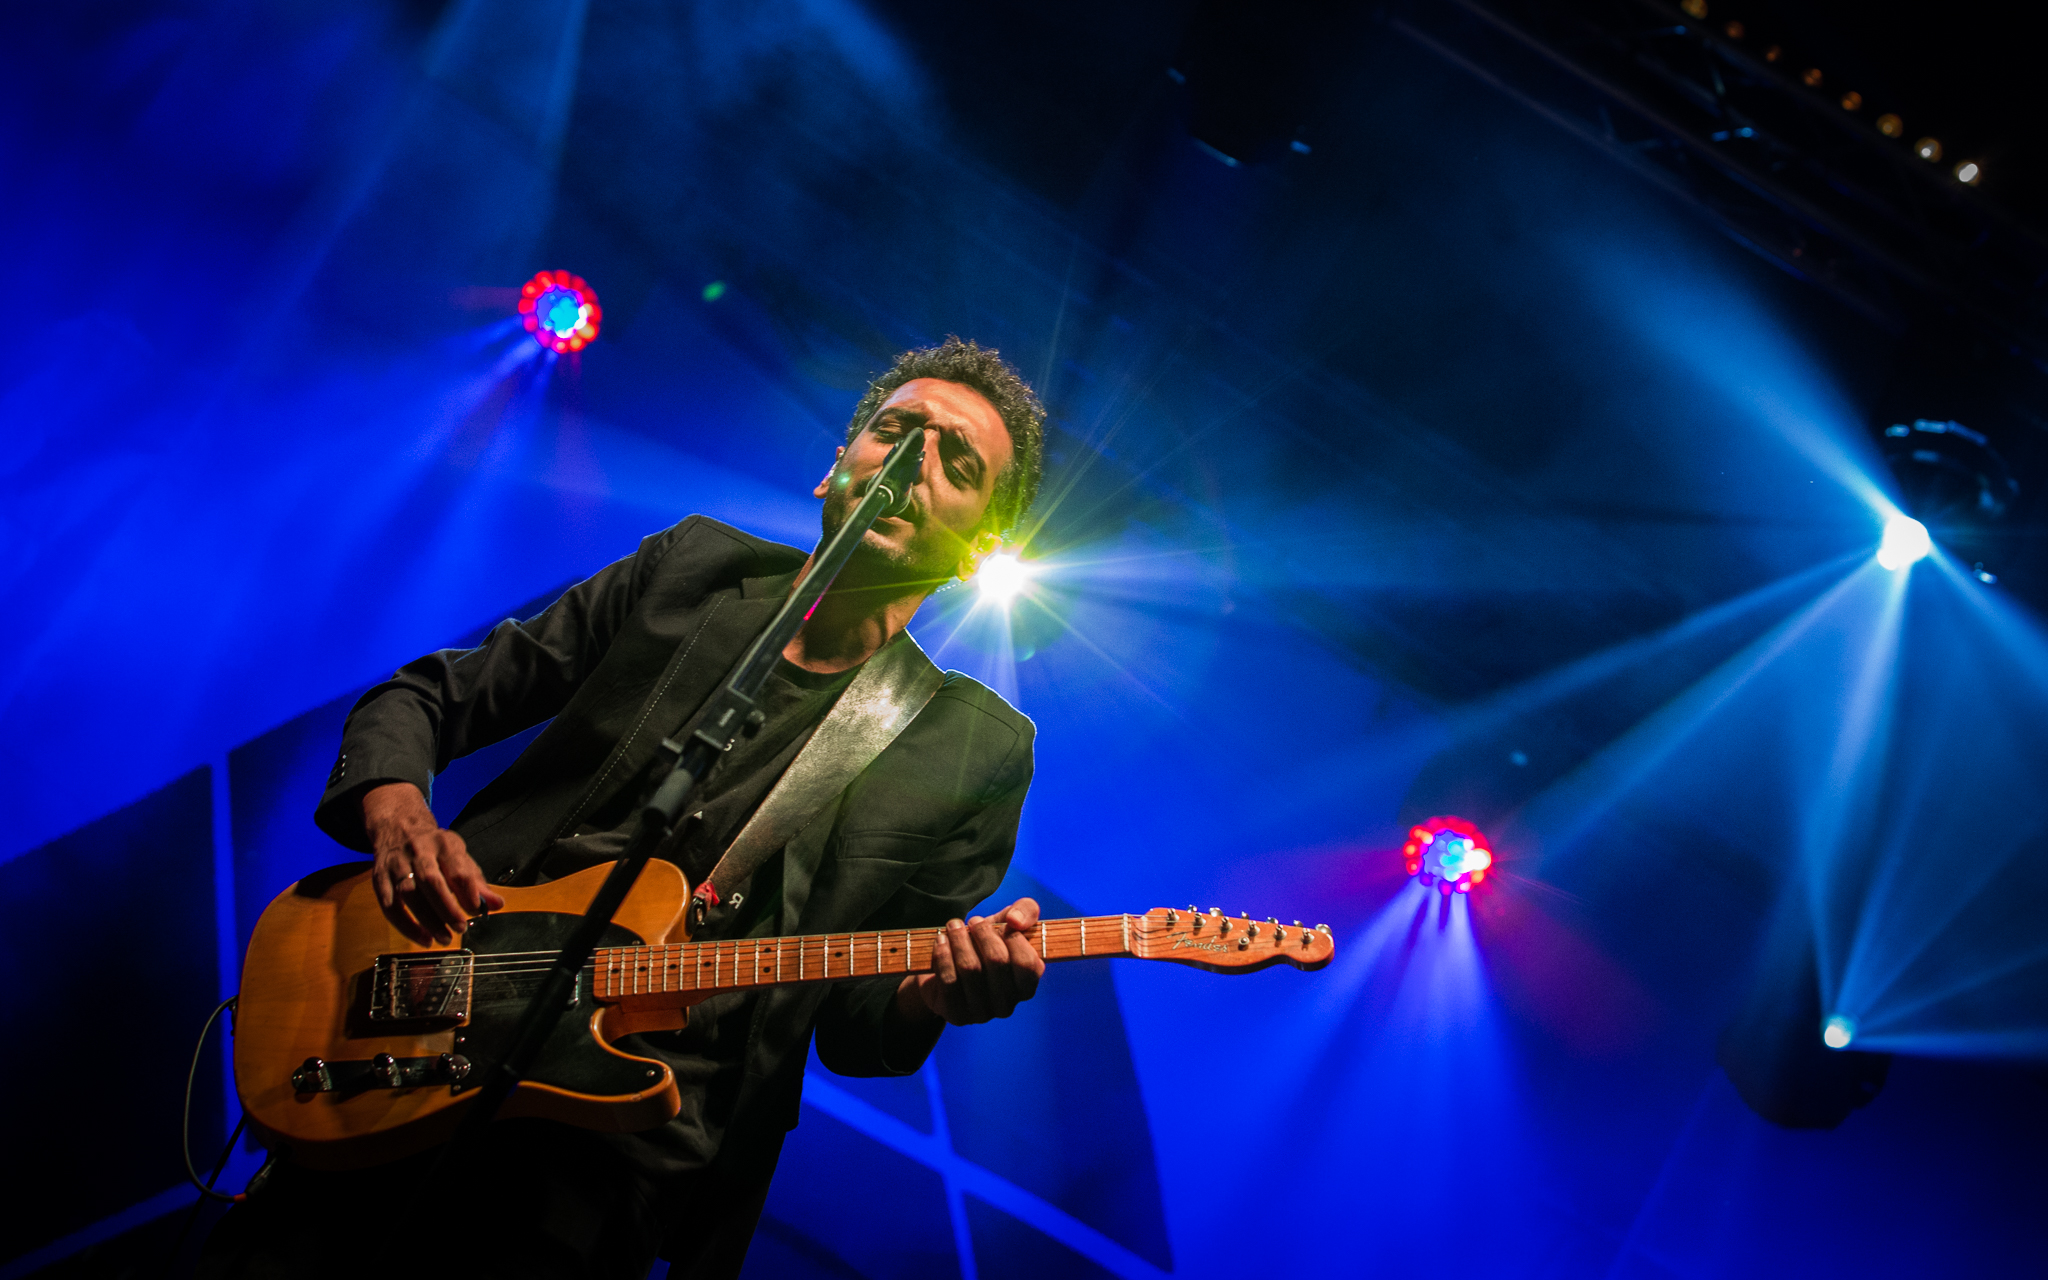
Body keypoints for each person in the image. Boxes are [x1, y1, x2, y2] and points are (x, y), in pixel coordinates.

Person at [200, 338, 1050, 1279]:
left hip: (613, 1152)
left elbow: (856, 1020)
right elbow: (426, 697)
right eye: (894, 431)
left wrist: (940, 991)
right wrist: (401, 817)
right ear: (835, 467)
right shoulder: (692, 571)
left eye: (955, 462)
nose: (912, 460)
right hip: (426, 1033)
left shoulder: (971, 746)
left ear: (978, 548)